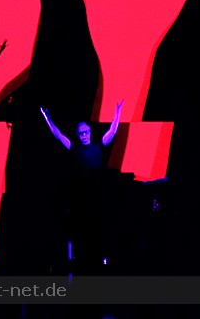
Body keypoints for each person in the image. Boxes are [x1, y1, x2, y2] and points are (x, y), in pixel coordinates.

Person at [39, 100, 124, 274]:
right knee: (83, 235)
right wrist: (48, 118)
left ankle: (100, 264)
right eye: (81, 133)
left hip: (98, 197)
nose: (84, 135)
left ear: (90, 132)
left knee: (99, 233)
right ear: (78, 135)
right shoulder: (75, 149)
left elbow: (113, 131)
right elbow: (58, 135)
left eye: (86, 132)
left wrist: (117, 113)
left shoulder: (98, 146)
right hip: (82, 200)